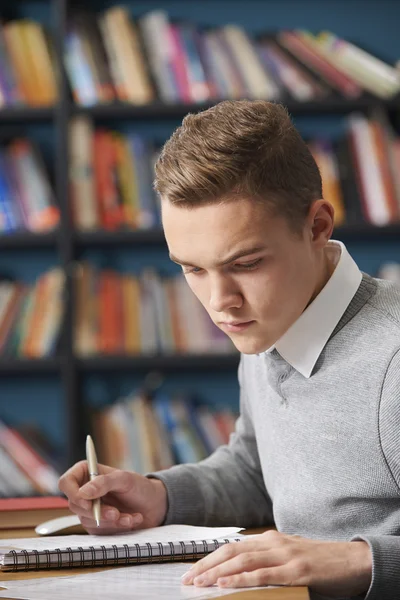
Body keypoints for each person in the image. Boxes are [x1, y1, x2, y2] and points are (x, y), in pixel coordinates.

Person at [58, 100, 400, 600]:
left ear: (318, 226)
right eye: (193, 269)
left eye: (246, 263)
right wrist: (159, 495)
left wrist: (357, 558)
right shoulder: (270, 318)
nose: (220, 304)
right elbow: (256, 469)